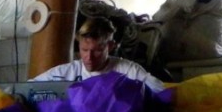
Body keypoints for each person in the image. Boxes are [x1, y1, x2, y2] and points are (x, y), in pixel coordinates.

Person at [31, 16, 165, 92]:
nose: (89, 57)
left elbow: (161, 90)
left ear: (110, 47)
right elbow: (28, 88)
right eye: (84, 50)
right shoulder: (64, 73)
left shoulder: (128, 70)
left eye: (97, 51)